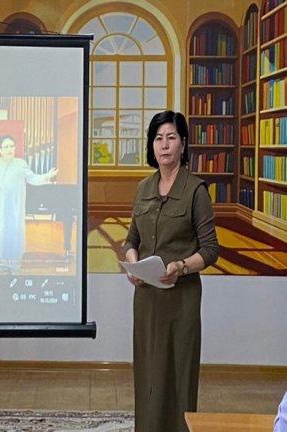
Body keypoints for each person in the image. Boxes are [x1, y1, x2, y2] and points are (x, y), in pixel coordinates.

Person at [123, 110, 219, 432]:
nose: (164, 145)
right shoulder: (143, 188)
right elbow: (131, 240)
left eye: (171, 137)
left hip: (181, 300)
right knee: (148, 375)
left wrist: (181, 266)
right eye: (158, 138)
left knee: (178, 375)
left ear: (183, 144)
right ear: (152, 145)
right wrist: (132, 263)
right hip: (147, 299)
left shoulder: (196, 190)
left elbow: (210, 249)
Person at [0, 135, 58, 273]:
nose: (10, 149)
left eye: (12, 146)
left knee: (13, 235)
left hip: (13, 208)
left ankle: (14, 266)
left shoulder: (21, 164)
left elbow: (33, 178)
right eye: (6, 146)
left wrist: (46, 176)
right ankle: (2, 264)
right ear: (0, 150)